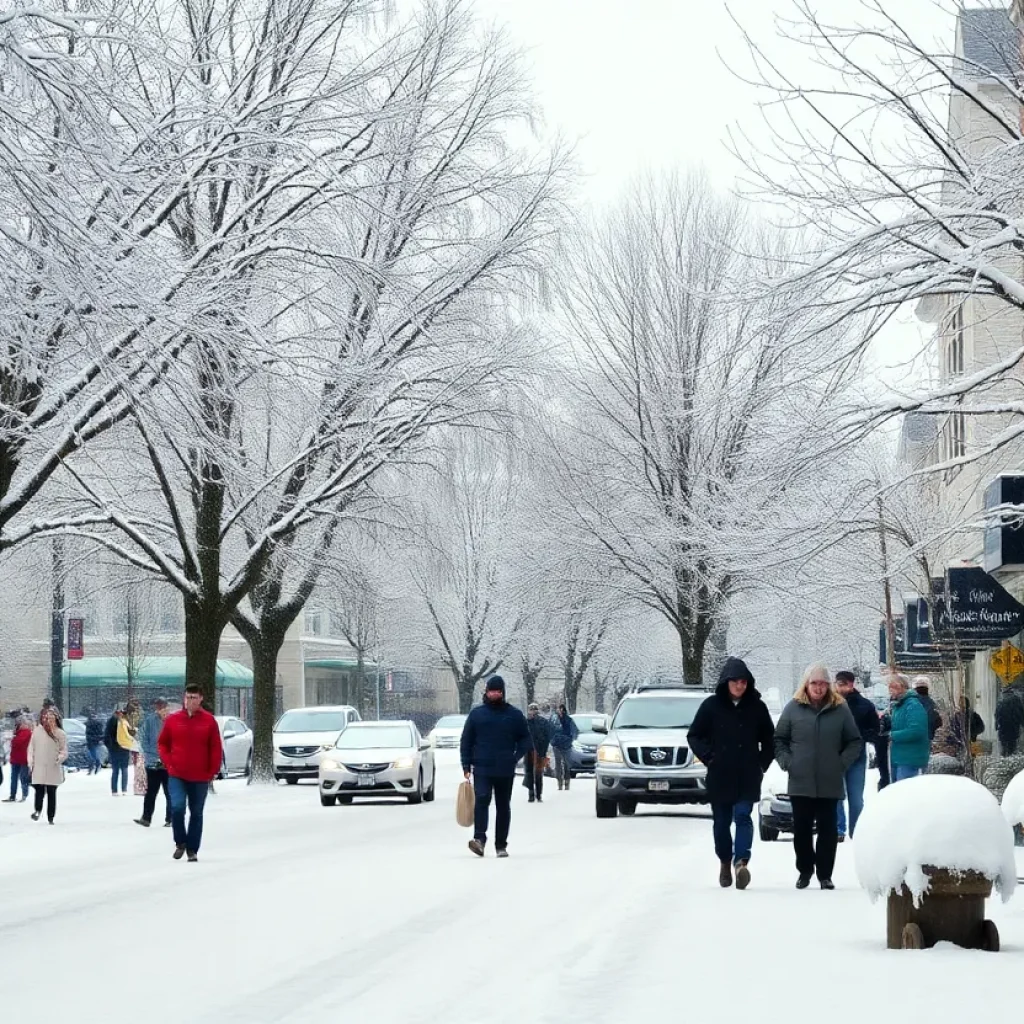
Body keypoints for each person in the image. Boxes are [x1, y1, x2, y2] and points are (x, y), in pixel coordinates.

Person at [687, 657, 775, 890]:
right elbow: (694, 735)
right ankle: (725, 861)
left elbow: (769, 740)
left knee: (744, 817)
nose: (740, 686)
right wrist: (709, 757)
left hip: (748, 773)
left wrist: (761, 764)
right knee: (722, 822)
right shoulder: (711, 706)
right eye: (735, 681)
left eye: (744, 681)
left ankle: (741, 862)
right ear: (726, 682)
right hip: (720, 774)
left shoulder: (757, 707)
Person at [774, 664, 862, 890]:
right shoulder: (793, 708)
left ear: (828, 685)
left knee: (828, 831)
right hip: (800, 781)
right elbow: (780, 739)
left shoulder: (840, 708)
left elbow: (854, 741)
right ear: (806, 684)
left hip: (829, 781)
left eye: (823, 683)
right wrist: (787, 762)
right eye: (814, 683)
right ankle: (804, 871)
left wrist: (840, 763)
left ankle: (825, 874)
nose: (819, 688)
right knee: (802, 831)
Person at [460, 675, 531, 858]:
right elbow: (466, 740)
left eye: (498, 691)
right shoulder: (477, 715)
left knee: (502, 806)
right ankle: (479, 839)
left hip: (505, 769)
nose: (494, 694)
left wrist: (515, 757)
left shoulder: (513, 715)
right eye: (491, 691)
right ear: (486, 691)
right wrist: (466, 765)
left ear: (503, 692)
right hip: (482, 767)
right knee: (482, 800)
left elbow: (525, 739)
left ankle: (501, 845)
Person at [158, 685, 223, 862]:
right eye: (188, 697)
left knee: (196, 812)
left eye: (194, 697)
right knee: (177, 807)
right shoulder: (173, 720)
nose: (190, 701)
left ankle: (192, 849)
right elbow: (163, 743)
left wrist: (213, 770)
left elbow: (215, 747)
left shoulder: (209, 721)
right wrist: (168, 762)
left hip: (200, 775)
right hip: (177, 773)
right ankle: (180, 842)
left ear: (201, 698)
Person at [835, 671, 879, 841]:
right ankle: (839, 830)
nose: (840, 687)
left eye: (843, 684)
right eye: (838, 684)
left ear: (851, 684)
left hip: (856, 756)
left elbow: (874, 730)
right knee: (836, 795)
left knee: (855, 797)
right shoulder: (830, 703)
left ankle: (856, 831)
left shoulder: (864, 705)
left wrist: (860, 736)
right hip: (834, 756)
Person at [135, 698, 172, 828]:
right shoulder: (150, 720)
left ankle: (170, 819)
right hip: (153, 763)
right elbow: (142, 738)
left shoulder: (173, 721)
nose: (161, 709)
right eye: (158, 707)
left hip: (169, 764)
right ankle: (146, 818)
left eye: (163, 706)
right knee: (151, 792)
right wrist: (151, 754)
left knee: (170, 792)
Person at [27, 708, 67, 824]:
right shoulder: (37, 732)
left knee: (51, 793)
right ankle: (37, 810)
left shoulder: (60, 733)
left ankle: (51, 817)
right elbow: (31, 748)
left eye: (52, 718)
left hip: (53, 767)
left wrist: (59, 759)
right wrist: (31, 762)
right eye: (47, 718)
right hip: (39, 766)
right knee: (39, 791)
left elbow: (64, 750)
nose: (49, 721)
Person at [888, 674, 930, 781]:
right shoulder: (900, 705)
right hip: (899, 757)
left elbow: (916, 730)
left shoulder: (913, 705)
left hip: (909, 758)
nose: (890, 691)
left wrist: (893, 735)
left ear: (900, 687)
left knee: (904, 794)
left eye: (891, 687)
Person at [524, 703, 553, 802]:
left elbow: (547, 737)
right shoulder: (526, 722)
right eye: (531, 710)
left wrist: (543, 751)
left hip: (539, 751)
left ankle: (538, 794)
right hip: (529, 750)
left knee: (538, 774)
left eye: (534, 710)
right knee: (529, 772)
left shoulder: (542, 722)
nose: (532, 712)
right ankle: (531, 793)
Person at [105, 707, 133, 796]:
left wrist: (110, 746)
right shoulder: (125, 722)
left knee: (116, 769)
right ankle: (124, 789)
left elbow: (107, 736)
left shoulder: (111, 721)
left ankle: (114, 790)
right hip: (124, 747)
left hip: (114, 749)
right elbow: (130, 734)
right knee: (124, 769)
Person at [550, 704, 579, 791]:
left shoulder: (569, 720)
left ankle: (567, 781)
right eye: (558, 709)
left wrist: (570, 740)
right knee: (558, 764)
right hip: (557, 745)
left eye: (560, 709)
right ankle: (559, 782)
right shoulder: (554, 719)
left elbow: (575, 731)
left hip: (566, 745)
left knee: (567, 764)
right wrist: (552, 740)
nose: (559, 711)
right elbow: (549, 730)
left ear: (563, 710)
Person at [2, 718, 31, 802]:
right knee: (14, 778)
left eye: (20, 724)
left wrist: (13, 739)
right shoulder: (17, 733)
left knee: (23, 778)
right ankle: (12, 795)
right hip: (15, 759)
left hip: (23, 759)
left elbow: (17, 742)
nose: (19, 725)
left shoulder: (26, 732)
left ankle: (24, 795)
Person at [913, 678, 943, 743]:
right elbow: (939, 722)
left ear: (916, 690)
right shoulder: (932, 703)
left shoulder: (911, 703)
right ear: (927, 690)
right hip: (927, 738)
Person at [84, 708, 104, 774]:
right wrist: (100, 738)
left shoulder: (90, 724)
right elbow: (100, 732)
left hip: (91, 740)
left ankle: (96, 765)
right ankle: (93, 767)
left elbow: (88, 733)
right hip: (94, 740)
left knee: (92, 754)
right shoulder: (98, 723)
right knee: (92, 754)